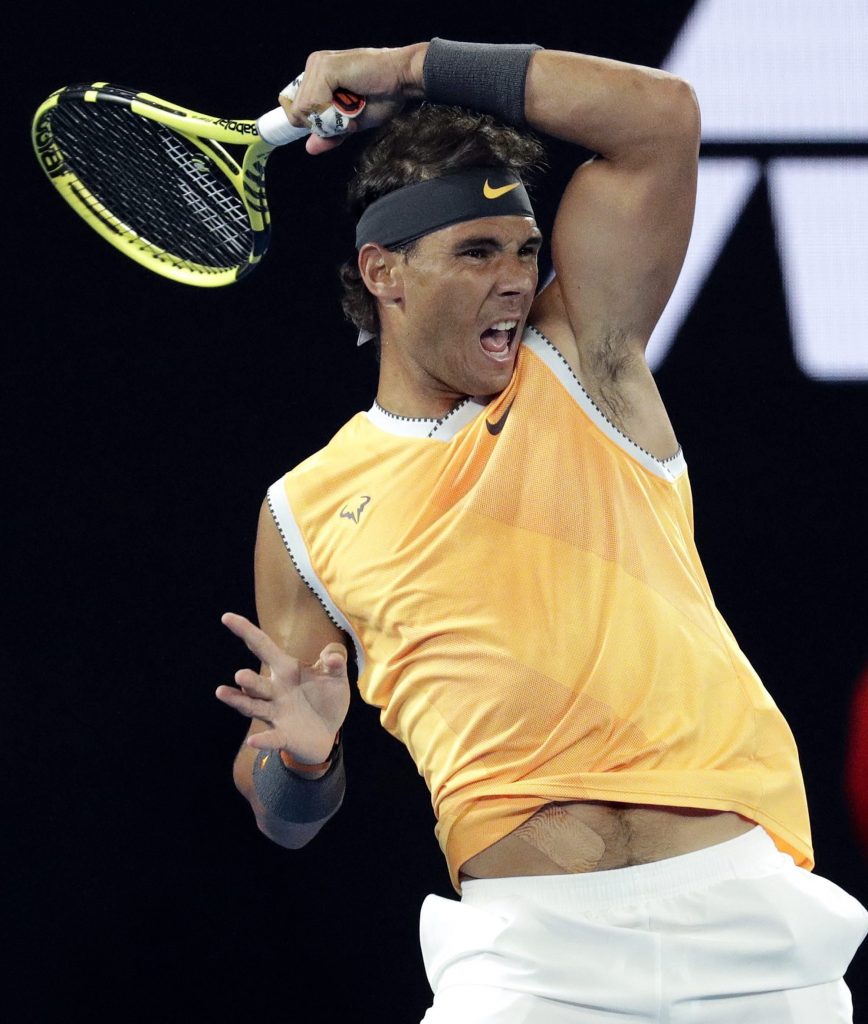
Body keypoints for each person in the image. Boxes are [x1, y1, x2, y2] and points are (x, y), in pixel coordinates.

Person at [215, 40, 868, 1022]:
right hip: (529, 968)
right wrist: (303, 758)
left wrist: (403, 66)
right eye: (477, 252)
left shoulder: (582, 358)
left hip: (751, 932)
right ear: (383, 271)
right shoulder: (302, 512)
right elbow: (284, 813)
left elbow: (661, 119)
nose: (516, 282)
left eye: (524, 251)